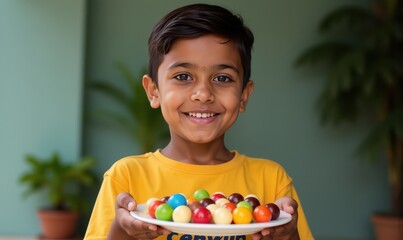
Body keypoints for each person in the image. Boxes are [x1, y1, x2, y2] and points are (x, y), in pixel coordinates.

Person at [84, 3, 313, 240]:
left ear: (244, 95)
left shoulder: (271, 180)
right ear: (153, 91)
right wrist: (121, 230)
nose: (203, 94)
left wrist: (289, 234)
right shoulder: (126, 177)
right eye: (183, 76)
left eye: (222, 78)